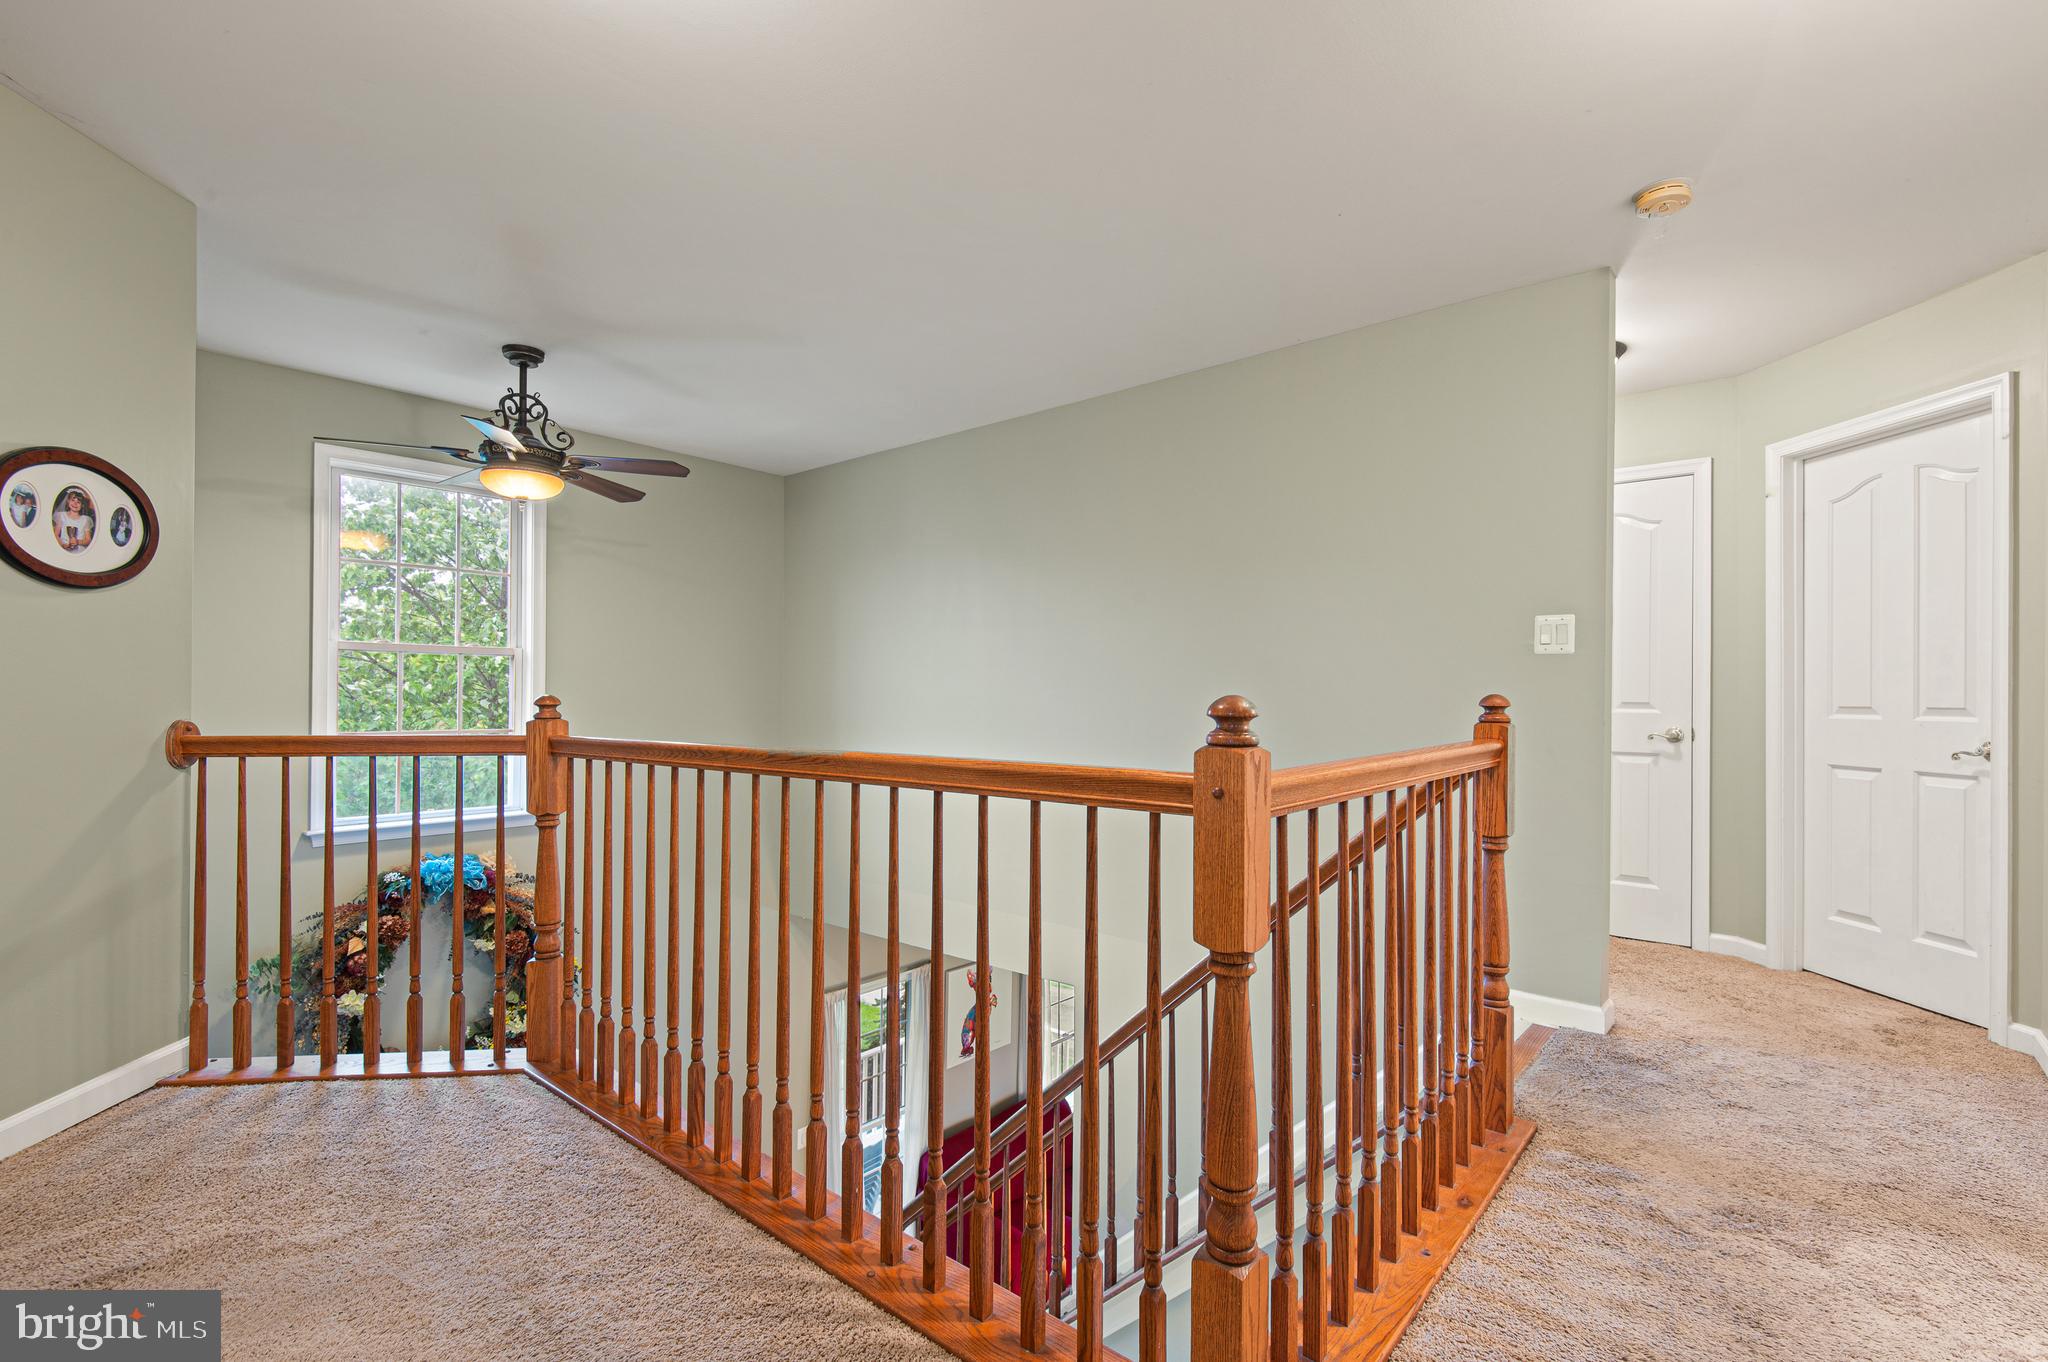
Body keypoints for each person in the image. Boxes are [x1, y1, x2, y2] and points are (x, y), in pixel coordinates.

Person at [51, 487, 93, 552]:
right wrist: (62, 545)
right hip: (64, 548)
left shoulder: (86, 519)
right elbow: (56, 535)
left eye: (78, 502)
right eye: (73, 500)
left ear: (82, 505)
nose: (75, 504)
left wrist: (78, 542)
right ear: (68, 501)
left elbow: (88, 540)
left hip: (79, 550)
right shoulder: (61, 516)